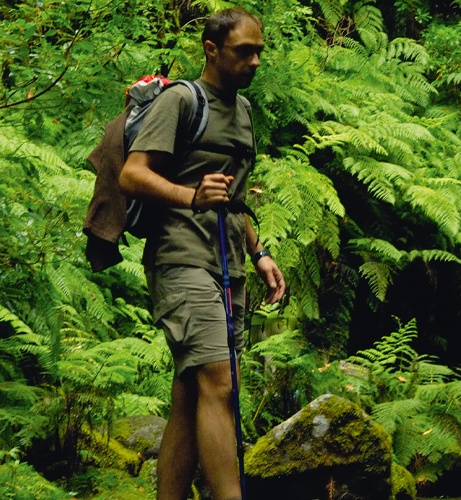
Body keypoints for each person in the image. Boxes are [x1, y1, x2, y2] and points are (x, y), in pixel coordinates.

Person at [119, 8, 285, 500]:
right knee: (219, 383)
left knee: (189, 393)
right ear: (212, 50)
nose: (255, 61)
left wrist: (260, 253)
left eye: (259, 51)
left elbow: (231, 198)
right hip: (181, 257)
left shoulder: (246, 111)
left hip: (228, 262)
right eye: (243, 52)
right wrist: (189, 195)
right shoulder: (181, 101)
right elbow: (133, 174)